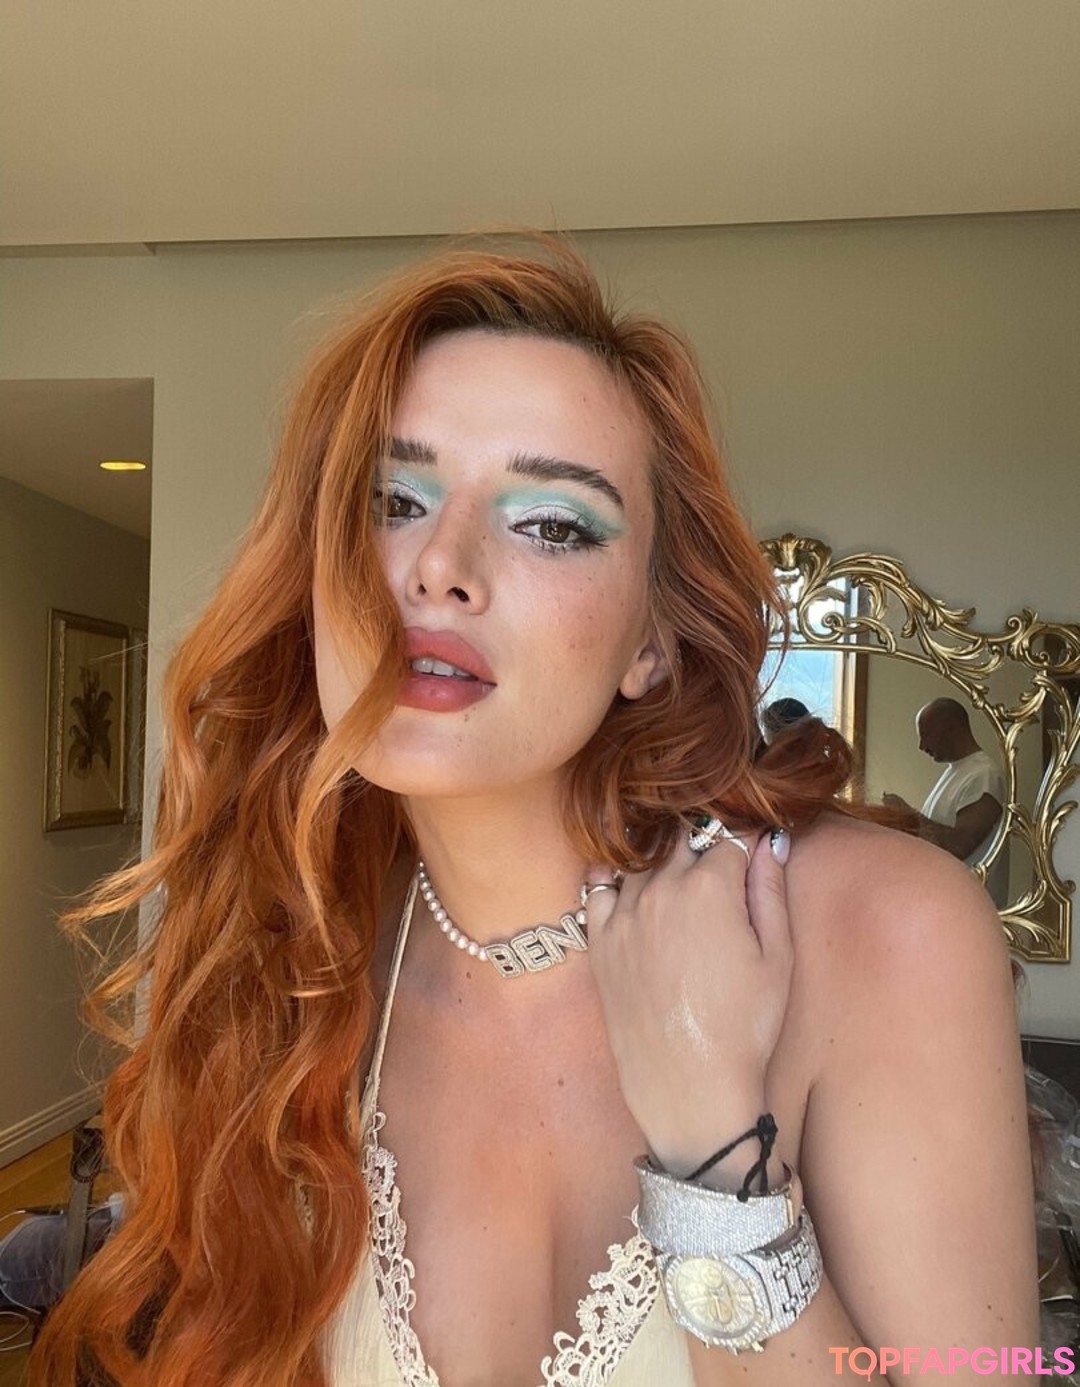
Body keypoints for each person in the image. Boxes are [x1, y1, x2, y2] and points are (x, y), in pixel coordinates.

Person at [33, 237, 1036, 1387]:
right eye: (392, 500)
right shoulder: (283, 957)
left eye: (552, 522)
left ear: (651, 641)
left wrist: (716, 1160)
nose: (439, 566)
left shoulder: (885, 931)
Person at [884, 697, 1009, 907]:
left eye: (926, 735)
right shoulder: (957, 771)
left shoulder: (984, 775)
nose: (921, 746)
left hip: (970, 911)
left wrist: (907, 815)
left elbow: (959, 845)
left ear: (951, 728)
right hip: (946, 905)